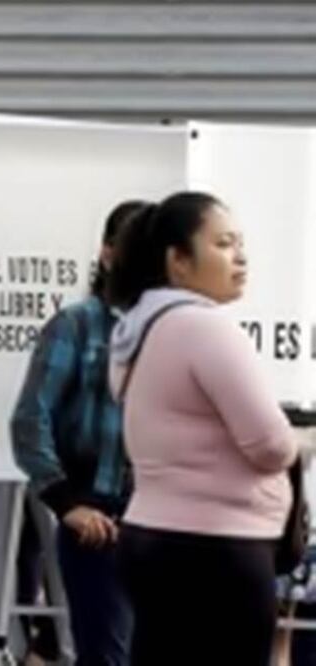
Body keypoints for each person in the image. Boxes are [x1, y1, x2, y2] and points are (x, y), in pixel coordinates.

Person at [107, 192, 298, 665]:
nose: (241, 256)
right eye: (223, 243)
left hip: (154, 535)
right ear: (179, 261)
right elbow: (271, 445)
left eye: (240, 243)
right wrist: (302, 442)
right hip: (216, 549)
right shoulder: (204, 328)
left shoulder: (140, 326)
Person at [10, 200, 146, 665]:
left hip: (158, 520)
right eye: (135, 247)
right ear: (107, 254)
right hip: (97, 520)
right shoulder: (75, 326)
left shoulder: (170, 330)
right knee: (106, 654)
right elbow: (30, 419)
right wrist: (66, 502)